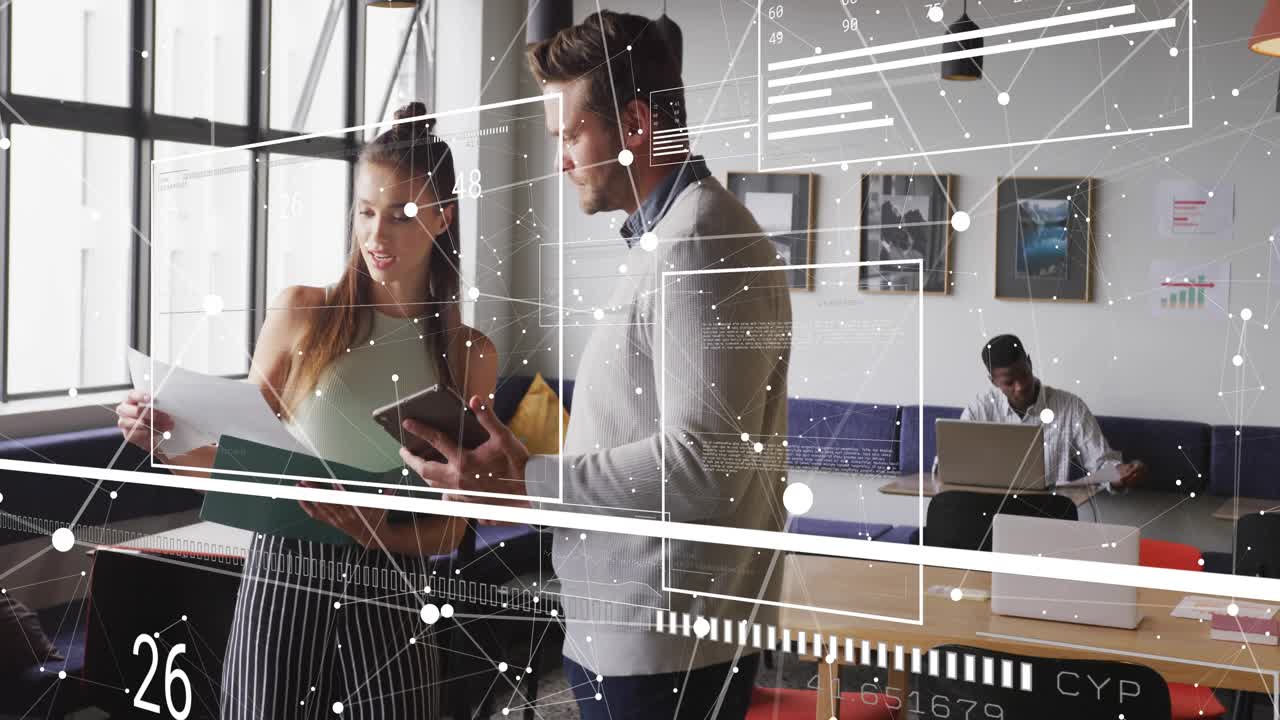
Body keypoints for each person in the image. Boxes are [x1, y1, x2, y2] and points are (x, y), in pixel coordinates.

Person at [395, 10, 792, 720]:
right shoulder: (681, 236)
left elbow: (705, 465)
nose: (561, 160)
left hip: (659, 642)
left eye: (572, 134)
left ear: (635, 125)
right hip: (652, 633)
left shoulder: (696, 247)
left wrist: (527, 481)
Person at [115, 102, 494, 719]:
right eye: (366, 213)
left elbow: (453, 527)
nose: (376, 236)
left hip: (390, 581)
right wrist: (161, 440)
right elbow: (226, 460)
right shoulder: (302, 312)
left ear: (443, 218)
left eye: (401, 216)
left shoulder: (468, 352)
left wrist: (380, 533)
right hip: (282, 569)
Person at [948, 333, 1145, 490]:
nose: (1020, 386)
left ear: (1030, 363)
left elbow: (1101, 463)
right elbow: (950, 464)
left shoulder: (1070, 407)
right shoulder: (980, 409)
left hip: (1048, 511)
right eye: (1009, 382)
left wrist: (1119, 473)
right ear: (993, 381)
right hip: (989, 509)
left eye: (1024, 374)